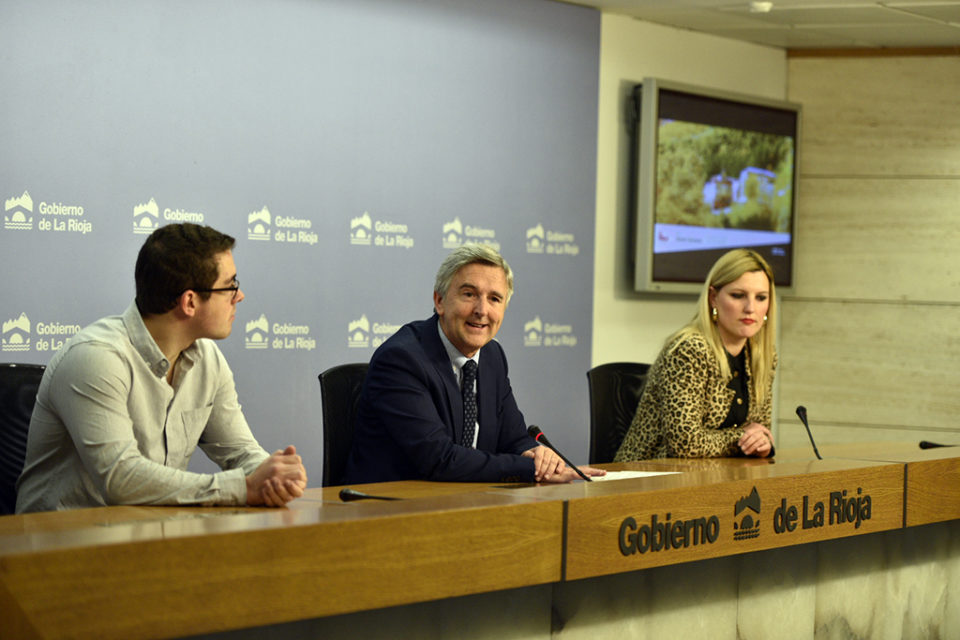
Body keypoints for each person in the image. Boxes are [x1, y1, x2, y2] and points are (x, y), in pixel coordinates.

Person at [16, 223, 307, 512]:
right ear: (189, 302)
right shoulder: (95, 358)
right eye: (230, 285)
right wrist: (242, 488)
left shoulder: (208, 359)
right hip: (60, 545)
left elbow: (241, 452)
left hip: (149, 537)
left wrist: (274, 476)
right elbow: (121, 479)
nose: (239, 296)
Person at [342, 244, 603, 484]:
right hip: (387, 511)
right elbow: (439, 459)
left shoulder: (492, 356)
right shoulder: (402, 360)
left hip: (463, 504)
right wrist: (529, 469)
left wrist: (538, 455)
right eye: (469, 294)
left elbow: (514, 437)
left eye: (494, 299)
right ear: (440, 301)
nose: (482, 310)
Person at [614, 249, 777, 461]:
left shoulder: (762, 354)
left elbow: (760, 429)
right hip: (649, 478)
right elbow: (685, 444)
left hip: (715, 478)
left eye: (761, 298)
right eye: (738, 295)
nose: (750, 308)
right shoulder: (688, 350)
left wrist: (763, 443)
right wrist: (743, 438)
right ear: (713, 298)